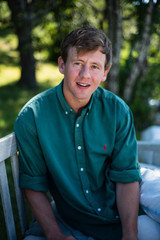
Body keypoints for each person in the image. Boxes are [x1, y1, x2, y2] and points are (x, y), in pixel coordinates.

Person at [14, 26, 159, 240]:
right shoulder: (33, 117)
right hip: (71, 222)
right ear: (62, 65)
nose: (85, 75)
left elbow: (126, 176)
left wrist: (130, 234)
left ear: (104, 73)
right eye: (78, 64)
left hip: (121, 214)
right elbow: (33, 184)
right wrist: (55, 234)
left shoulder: (118, 111)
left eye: (94, 67)